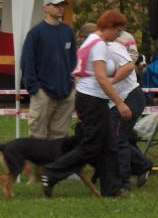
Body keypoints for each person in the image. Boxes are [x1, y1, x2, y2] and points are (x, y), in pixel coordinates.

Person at [41, 10, 132, 197]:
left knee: (108, 145)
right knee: (91, 145)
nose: (118, 35)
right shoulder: (98, 45)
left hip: (90, 97)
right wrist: (120, 103)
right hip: (92, 99)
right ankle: (52, 172)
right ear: (108, 26)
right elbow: (100, 76)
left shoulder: (91, 40)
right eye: (117, 30)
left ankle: (112, 189)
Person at [20, 0, 77, 139]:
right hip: (43, 92)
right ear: (46, 7)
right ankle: (37, 162)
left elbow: (73, 60)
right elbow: (27, 62)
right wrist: (35, 88)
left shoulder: (67, 31)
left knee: (60, 135)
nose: (60, 8)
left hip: (66, 93)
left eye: (62, 5)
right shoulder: (36, 32)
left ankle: (56, 162)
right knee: (38, 136)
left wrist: (72, 85)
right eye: (56, 5)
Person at [108, 37, 154, 190]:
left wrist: (110, 81)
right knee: (117, 140)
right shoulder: (99, 49)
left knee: (118, 141)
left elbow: (128, 67)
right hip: (119, 101)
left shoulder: (114, 48)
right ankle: (142, 165)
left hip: (128, 99)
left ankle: (123, 183)